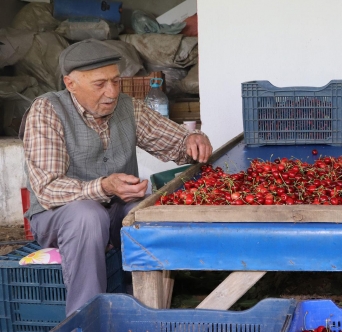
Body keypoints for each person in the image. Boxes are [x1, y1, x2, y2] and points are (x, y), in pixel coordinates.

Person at [19, 39, 213, 316]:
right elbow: (48, 189)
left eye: (116, 81)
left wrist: (194, 139)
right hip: (59, 216)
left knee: (144, 213)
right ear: (70, 83)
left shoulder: (127, 106)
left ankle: (149, 310)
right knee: (87, 215)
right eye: (99, 84)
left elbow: (176, 141)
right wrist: (104, 186)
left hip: (112, 211)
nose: (111, 92)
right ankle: (86, 320)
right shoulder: (48, 110)